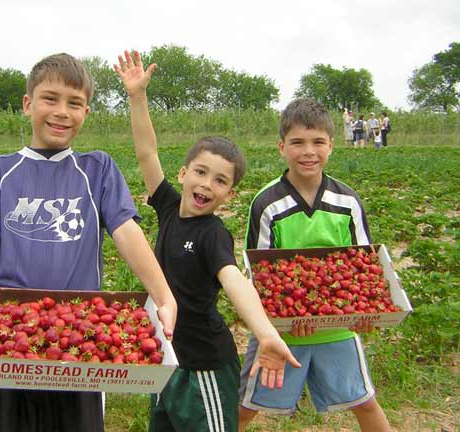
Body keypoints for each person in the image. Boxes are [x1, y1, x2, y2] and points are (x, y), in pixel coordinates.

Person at [0, 53, 178, 432]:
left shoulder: (97, 169)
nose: (62, 111)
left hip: (81, 336)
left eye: (74, 103)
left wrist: (163, 296)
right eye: (50, 98)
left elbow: (127, 231)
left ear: (86, 112)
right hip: (5, 335)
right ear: (28, 104)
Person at [114, 50, 301, 432]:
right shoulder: (167, 205)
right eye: (200, 172)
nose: (206, 184)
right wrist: (137, 96)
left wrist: (265, 334)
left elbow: (233, 278)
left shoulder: (212, 233)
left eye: (220, 180)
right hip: (167, 356)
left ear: (229, 195)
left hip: (205, 364)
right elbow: (147, 151)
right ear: (183, 173)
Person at [238, 98, 392, 432]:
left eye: (318, 142)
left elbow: (363, 269)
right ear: (282, 147)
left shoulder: (347, 202)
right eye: (297, 142)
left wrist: (366, 313)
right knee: (245, 407)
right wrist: (281, 322)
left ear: (331, 146)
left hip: (338, 325)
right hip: (279, 331)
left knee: (364, 401)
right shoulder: (267, 205)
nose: (308, 151)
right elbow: (260, 275)